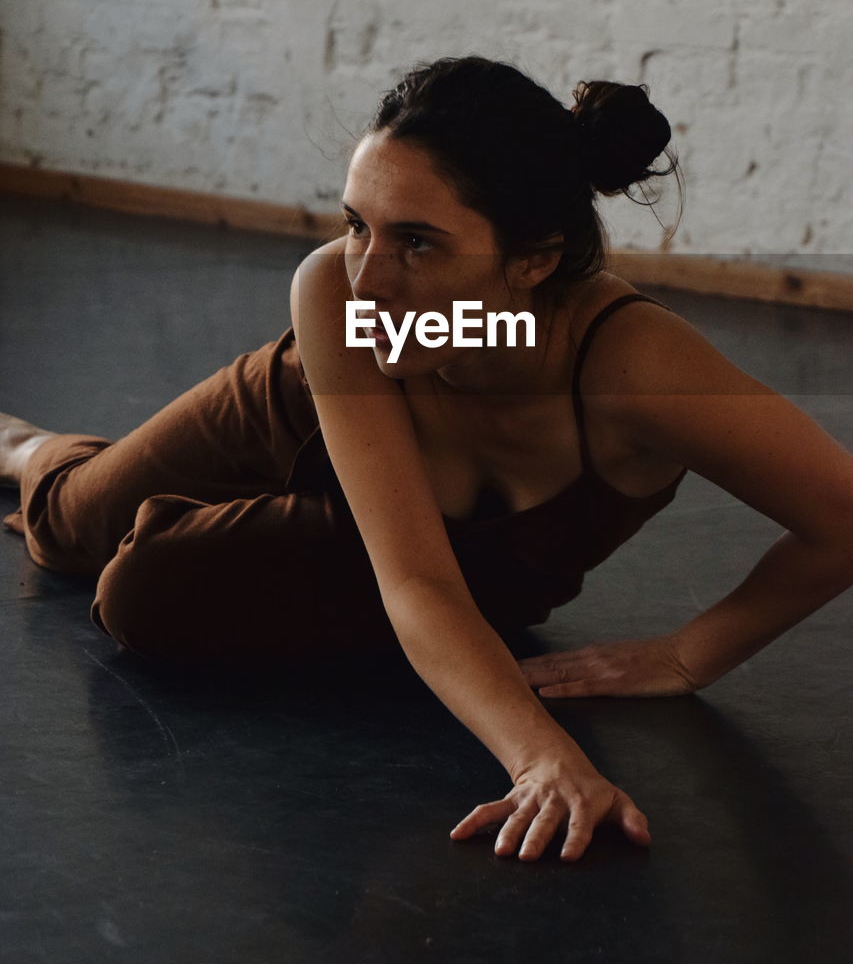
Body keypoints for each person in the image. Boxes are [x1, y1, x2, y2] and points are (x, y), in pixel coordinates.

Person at [2, 55, 852, 866]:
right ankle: (25, 445)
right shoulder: (338, 294)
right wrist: (539, 759)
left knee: (144, 593)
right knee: (70, 521)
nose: (367, 278)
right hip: (311, 410)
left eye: (416, 243)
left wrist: (691, 654)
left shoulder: (635, 367)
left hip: (414, 537)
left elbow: (840, 515)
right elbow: (415, 582)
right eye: (355, 226)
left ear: (534, 258)